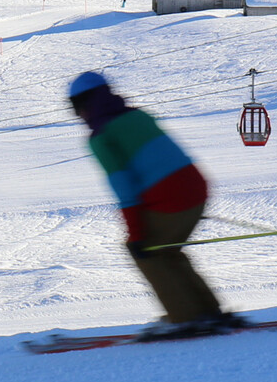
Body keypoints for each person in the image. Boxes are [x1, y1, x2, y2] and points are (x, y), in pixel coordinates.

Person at [68, 71, 232, 335]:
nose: (78, 115)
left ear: (84, 104)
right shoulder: (137, 115)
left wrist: (135, 236)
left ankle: (188, 318)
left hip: (170, 196)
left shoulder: (102, 137)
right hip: (196, 187)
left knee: (149, 253)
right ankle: (208, 312)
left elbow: (125, 189)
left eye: (75, 107)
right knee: (168, 251)